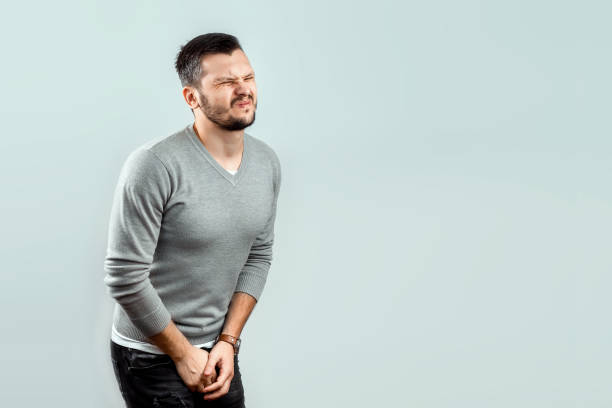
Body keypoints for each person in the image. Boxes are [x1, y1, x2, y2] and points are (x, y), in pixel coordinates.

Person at [103, 32, 281, 407]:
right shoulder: (154, 164)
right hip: (150, 354)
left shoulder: (267, 163)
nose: (243, 90)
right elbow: (124, 276)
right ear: (192, 97)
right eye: (226, 82)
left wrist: (228, 343)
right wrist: (183, 354)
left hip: (217, 350)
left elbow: (258, 256)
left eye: (247, 78)